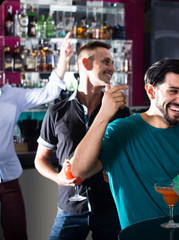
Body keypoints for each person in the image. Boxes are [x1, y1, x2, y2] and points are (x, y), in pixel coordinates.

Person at [71, 58, 179, 229]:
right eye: (173, 91)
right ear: (151, 91)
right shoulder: (121, 131)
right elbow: (78, 170)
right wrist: (103, 115)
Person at [34, 40, 130, 240]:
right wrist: (57, 177)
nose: (111, 68)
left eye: (112, 62)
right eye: (106, 62)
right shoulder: (56, 112)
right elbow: (40, 159)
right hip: (69, 209)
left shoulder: (121, 112)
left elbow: (129, 156)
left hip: (110, 208)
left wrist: (118, 172)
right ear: (86, 64)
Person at [0, 33, 73, 240]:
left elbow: (49, 92)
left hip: (8, 180)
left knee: (17, 235)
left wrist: (63, 60)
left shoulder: (12, 95)